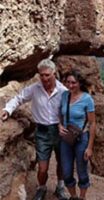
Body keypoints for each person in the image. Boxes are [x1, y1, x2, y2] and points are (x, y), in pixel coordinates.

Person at [1, 59, 68, 200]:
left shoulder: (63, 91)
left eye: (47, 75)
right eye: (41, 75)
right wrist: (8, 109)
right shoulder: (34, 89)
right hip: (42, 131)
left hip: (60, 131)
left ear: (54, 73)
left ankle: (60, 187)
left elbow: (70, 111)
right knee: (43, 166)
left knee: (62, 162)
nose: (44, 78)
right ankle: (41, 187)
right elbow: (19, 98)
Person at [59, 70, 96, 200]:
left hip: (81, 138)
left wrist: (90, 147)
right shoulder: (64, 96)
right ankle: (73, 196)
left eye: (73, 83)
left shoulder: (87, 99)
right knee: (67, 171)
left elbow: (92, 123)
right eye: (68, 82)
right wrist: (59, 125)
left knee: (82, 170)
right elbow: (59, 113)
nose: (70, 85)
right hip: (66, 138)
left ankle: (82, 197)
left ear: (79, 83)